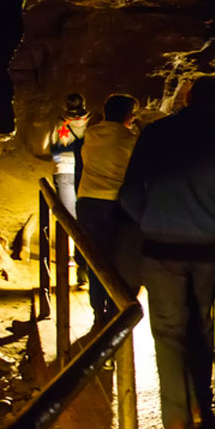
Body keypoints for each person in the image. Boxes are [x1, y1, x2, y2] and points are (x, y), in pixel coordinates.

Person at [119, 76, 215, 429]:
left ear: (187, 97)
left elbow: (129, 194)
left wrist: (153, 221)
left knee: (167, 333)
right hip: (208, 250)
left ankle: (176, 423)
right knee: (200, 326)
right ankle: (202, 406)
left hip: (161, 249)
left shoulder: (155, 134)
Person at [76, 94, 138, 324]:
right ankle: (115, 310)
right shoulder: (130, 140)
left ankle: (97, 312)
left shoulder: (91, 134)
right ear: (128, 116)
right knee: (118, 262)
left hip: (88, 202)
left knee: (96, 260)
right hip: (116, 204)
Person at [44, 93, 89, 217]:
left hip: (63, 167)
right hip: (85, 167)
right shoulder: (91, 121)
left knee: (69, 215)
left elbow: (47, 144)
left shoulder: (60, 121)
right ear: (83, 104)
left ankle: (72, 236)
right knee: (85, 212)